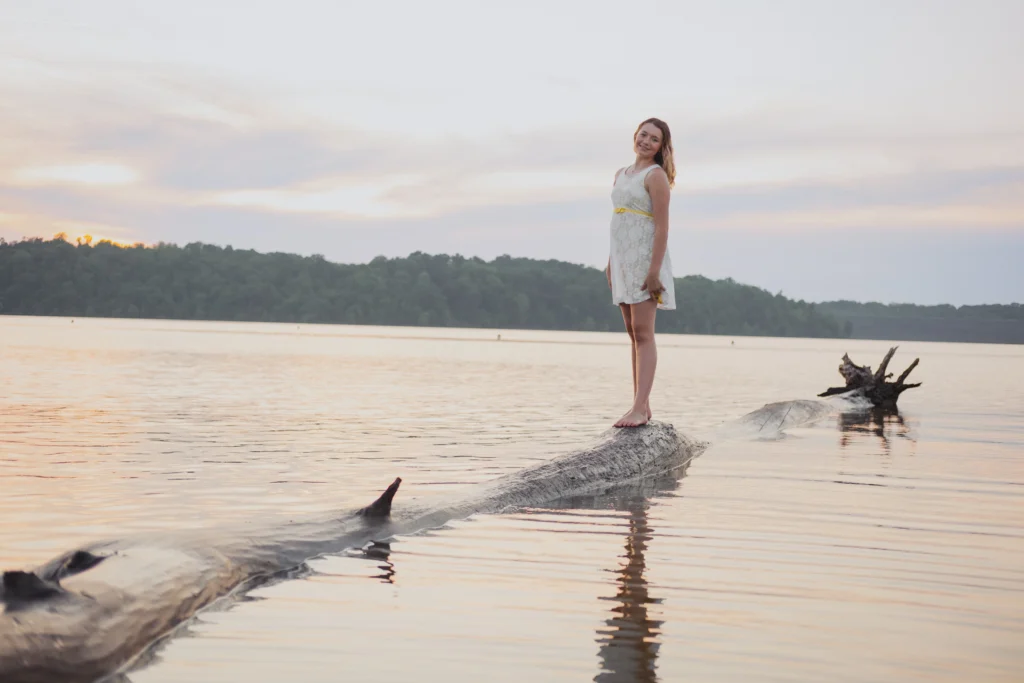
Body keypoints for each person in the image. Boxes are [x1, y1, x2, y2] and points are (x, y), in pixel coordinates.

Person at [605, 117, 676, 428]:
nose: (646, 142)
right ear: (635, 135)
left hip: (647, 261)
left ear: (661, 147)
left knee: (645, 333)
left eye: (654, 139)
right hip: (623, 261)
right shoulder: (621, 174)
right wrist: (611, 262)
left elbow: (661, 227)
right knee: (633, 334)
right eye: (643, 135)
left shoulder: (655, 176)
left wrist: (654, 271)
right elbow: (619, 223)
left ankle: (638, 408)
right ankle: (641, 405)